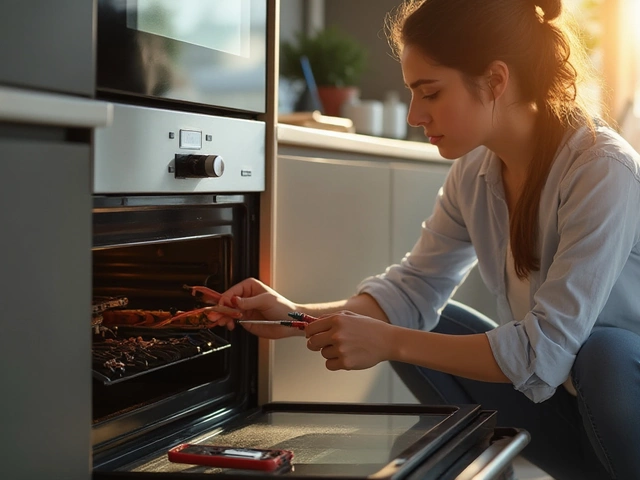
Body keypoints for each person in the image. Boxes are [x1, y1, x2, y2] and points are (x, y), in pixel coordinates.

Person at [214, 0, 640, 478]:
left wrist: (391, 341)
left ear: (496, 80)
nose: (416, 114)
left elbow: (543, 352)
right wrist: (293, 315)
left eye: (430, 93)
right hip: (567, 413)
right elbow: (414, 288)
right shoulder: (474, 172)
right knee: (430, 324)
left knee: (606, 353)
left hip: (626, 413)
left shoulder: (601, 169)